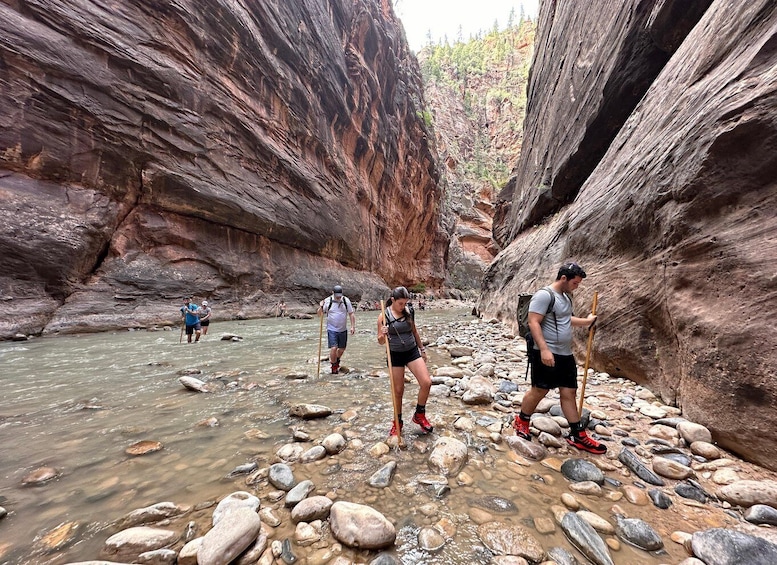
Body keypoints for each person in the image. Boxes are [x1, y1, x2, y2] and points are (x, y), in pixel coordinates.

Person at [513, 262, 604, 453]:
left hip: (565, 354)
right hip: (546, 352)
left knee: (569, 392)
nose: (576, 286)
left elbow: (565, 319)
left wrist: (587, 322)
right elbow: (533, 322)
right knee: (540, 390)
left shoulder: (565, 297)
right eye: (575, 283)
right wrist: (544, 350)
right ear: (563, 278)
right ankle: (522, 420)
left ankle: (578, 435)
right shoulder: (544, 295)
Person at [377, 286, 433, 437]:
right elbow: (380, 341)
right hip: (394, 354)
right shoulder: (384, 316)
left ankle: (419, 415)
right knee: (398, 391)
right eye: (400, 303)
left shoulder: (409, 311)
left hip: (411, 351)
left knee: (426, 382)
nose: (403, 306)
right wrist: (383, 335)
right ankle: (397, 422)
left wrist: (422, 349)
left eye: (406, 303)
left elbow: (414, 331)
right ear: (393, 300)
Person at [318, 285, 355, 374]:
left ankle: (336, 360)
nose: (338, 297)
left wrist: (353, 326)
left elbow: (351, 314)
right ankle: (334, 366)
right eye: (337, 295)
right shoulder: (328, 301)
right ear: (332, 293)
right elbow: (319, 314)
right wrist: (321, 307)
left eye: (340, 295)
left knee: (341, 349)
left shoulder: (346, 300)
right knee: (334, 348)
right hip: (332, 329)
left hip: (343, 329)